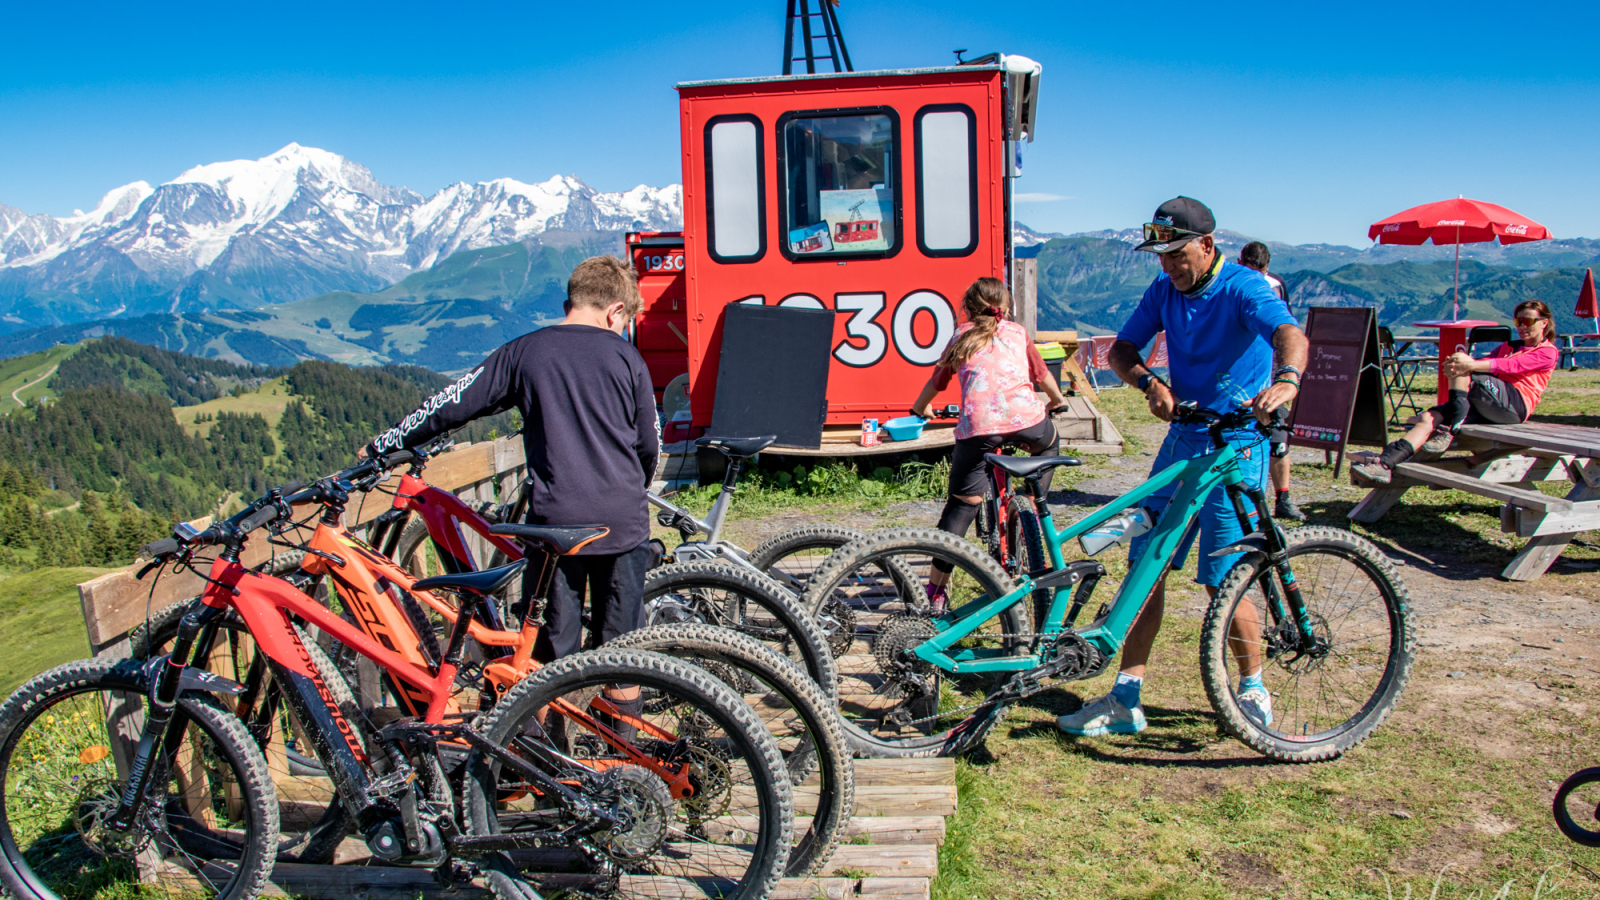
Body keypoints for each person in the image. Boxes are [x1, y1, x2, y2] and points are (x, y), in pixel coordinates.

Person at [364, 255, 659, 731]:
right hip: (622, 522)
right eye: (626, 321)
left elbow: (451, 403)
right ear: (615, 311)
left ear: (570, 302)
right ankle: (624, 767)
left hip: (555, 527)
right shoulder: (628, 358)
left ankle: (546, 766)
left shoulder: (525, 351)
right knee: (620, 649)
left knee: (543, 655)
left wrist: (386, 444)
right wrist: (629, 489)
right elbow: (649, 442)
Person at [1057, 197, 1308, 738]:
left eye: (1177, 254)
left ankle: (1252, 689)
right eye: (1161, 256)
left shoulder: (1244, 287)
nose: (1168, 265)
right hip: (1183, 437)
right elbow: (1123, 349)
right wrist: (1149, 382)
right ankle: (1125, 699)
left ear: (1207, 246)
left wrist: (1286, 379)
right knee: (1146, 567)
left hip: (1237, 443)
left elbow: (1290, 334)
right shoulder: (1165, 291)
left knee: (1230, 577)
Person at [910, 276, 1070, 612]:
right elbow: (1041, 374)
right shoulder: (1018, 333)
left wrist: (921, 408)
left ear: (967, 310)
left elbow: (936, 381)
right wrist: (1056, 401)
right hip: (1027, 423)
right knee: (1049, 442)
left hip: (980, 431)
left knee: (961, 507)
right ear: (1006, 308)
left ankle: (935, 595)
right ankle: (1029, 507)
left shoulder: (960, 338)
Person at [1353, 299, 1559, 483]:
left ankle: (1451, 429)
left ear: (1544, 323)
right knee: (1429, 418)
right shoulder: (1509, 346)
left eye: (1528, 322)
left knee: (1463, 368)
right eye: (1518, 322)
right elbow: (1483, 364)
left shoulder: (1547, 352)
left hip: (1515, 406)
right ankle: (1385, 464)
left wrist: (1464, 364)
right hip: (1492, 402)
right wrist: (1460, 364)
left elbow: (1510, 367)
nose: (1523, 326)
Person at [1237, 240, 1305, 521]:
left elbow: (1284, 327)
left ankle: (1282, 498)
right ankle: (1273, 498)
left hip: (1270, 374)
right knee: (1260, 438)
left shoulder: (1272, 285)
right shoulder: (1242, 283)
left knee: (1276, 436)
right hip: (1253, 374)